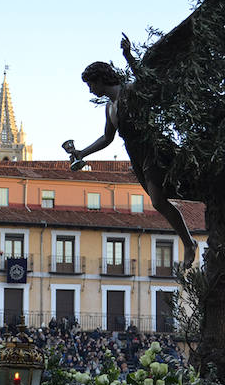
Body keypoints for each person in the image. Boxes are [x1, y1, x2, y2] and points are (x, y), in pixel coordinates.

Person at [69, 37, 196, 268]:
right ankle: (188, 241)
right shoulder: (109, 107)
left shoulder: (130, 91)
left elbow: (147, 80)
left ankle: (188, 242)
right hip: (135, 155)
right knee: (158, 201)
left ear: (100, 79)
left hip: (152, 148)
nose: (90, 89)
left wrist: (128, 57)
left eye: (90, 84)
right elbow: (107, 138)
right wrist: (82, 153)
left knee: (158, 200)